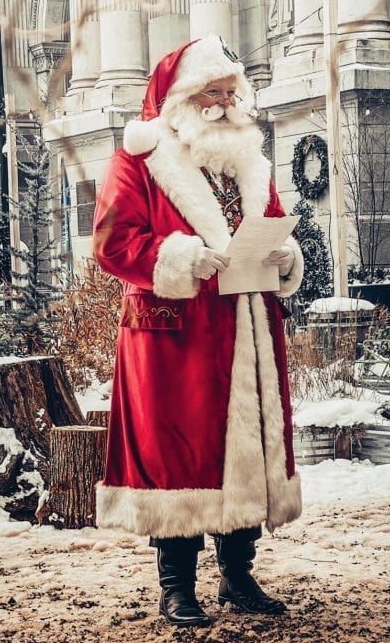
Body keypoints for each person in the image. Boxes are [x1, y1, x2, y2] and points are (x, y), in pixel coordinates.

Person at [93, 34, 304, 628]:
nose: (223, 103)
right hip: (175, 334)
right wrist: (179, 257)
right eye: (211, 92)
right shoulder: (140, 158)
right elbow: (112, 243)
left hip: (246, 323)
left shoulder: (249, 161)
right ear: (183, 98)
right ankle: (177, 586)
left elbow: (271, 227)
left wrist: (285, 257)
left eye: (230, 92)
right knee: (181, 457)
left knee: (246, 451)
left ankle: (238, 575)